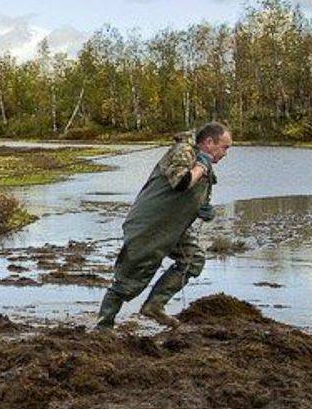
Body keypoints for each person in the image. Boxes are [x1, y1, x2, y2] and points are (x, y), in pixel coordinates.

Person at [95, 121, 232, 329]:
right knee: (130, 280)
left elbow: (195, 192)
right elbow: (182, 182)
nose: (225, 153)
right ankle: (103, 326)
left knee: (193, 260)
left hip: (174, 228)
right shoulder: (183, 152)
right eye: (224, 147)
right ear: (209, 142)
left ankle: (154, 305)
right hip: (149, 225)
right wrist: (201, 167)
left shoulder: (200, 160)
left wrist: (203, 207)